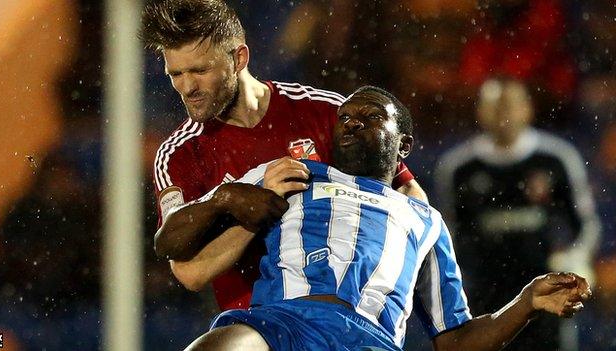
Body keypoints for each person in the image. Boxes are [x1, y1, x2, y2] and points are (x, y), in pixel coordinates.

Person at [157, 86, 591, 351]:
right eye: (344, 117)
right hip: (280, 324)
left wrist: (526, 303)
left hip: (367, 339)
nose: (351, 123)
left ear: (403, 145)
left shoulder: (424, 220)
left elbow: (454, 340)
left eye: (370, 117)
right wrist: (225, 199)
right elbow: (170, 243)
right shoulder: (290, 175)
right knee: (222, 346)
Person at [140, 0, 427, 311]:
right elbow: (190, 273)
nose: (187, 87)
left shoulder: (325, 111)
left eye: (200, 70)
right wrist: (251, 213)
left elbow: (408, 193)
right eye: (176, 73)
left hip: (342, 316)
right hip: (257, 324)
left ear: (239, 58)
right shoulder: (179, 154)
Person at [435, 77, 601, 350]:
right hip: (485, 293)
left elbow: (586, 224)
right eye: (495, 106)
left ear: (528, 109)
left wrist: (574, 259)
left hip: (545, 290)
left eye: (510, 105)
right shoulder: (459, 168)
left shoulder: (556, 159)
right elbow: (447, 234)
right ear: (480, 111)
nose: (504, 114)